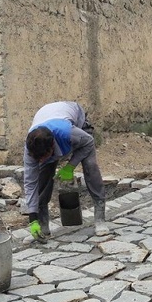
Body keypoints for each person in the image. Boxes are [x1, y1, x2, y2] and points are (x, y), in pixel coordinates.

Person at [23, 101, 108, 241]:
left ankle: (100, 218)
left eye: (43, 157)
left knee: (90, 166)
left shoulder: (69, 134)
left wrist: (70, 166)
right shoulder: (31, 149)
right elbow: (30, 183)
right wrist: (32, 218)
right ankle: (43, 226)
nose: (40, 161)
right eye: (37, 159)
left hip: (77, 122)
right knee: (42, 179)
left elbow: (89, 142)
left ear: (51, 148)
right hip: (49, 116)